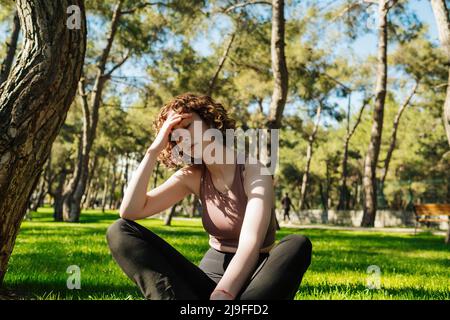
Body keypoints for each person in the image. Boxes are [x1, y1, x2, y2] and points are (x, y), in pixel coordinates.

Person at [106, 93, 312, 300]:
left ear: (209, 120)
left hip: (258, 275)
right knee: (120, 229)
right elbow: (130, 211)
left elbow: (250, 242)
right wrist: (153, 150)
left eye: (186, 126)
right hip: (210, 275)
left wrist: (223, 293)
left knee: (297, 243)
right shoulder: (192, 176)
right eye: (174, 136)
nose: (183, 138)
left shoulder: (253, 171)